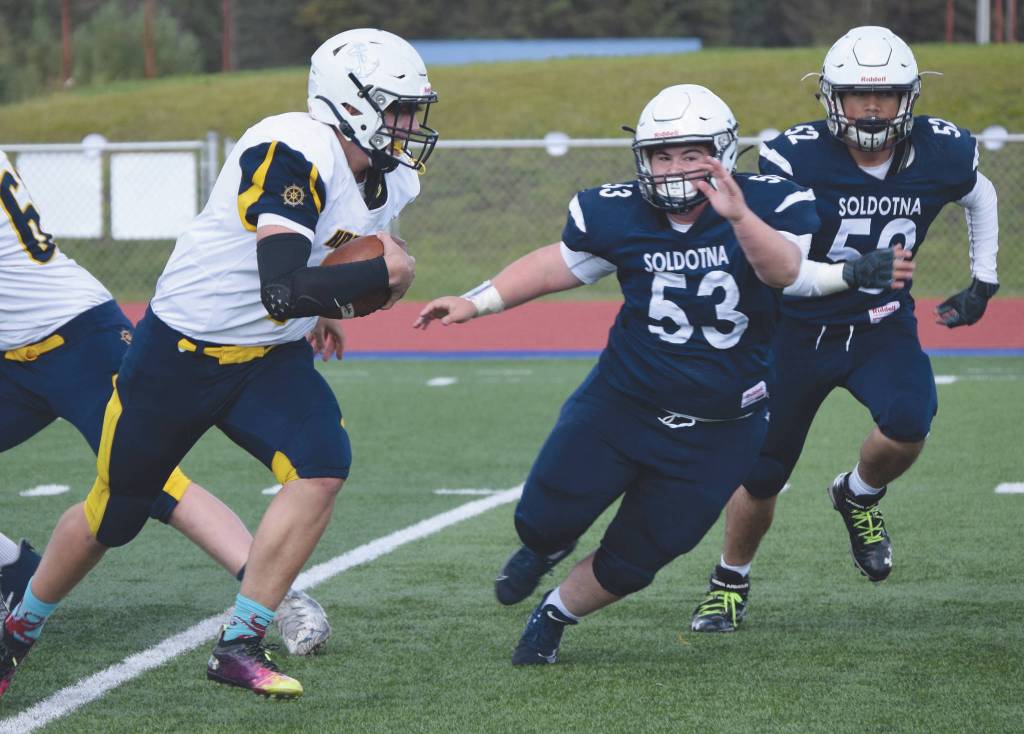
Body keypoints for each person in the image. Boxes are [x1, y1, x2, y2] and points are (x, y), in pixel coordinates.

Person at [0, 27, 432, 701]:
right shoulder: (292, 146)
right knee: (115, 513)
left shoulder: (391, 175)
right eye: (398, 107)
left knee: (322, 467)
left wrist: (331, 305)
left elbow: (326, 254)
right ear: (350, 105)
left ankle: (240, 642)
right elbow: (281, 285)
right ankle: (18, 631)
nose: (409, 124)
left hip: (268, 354)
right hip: (180, 352)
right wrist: (370, 277)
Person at [415, 84, 900, 665]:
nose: (674, 169)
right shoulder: (616, 211)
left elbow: (786, 273)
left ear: (722, 152)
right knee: (541, 517)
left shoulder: (772, 202)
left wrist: (739, 216)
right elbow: (558, 264)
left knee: (638, 558)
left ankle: (555, 615)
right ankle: (547, 545)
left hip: (722, 426)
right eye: (662, 156)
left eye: (691, 154)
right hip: (622, 403)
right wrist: (480, 301)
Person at [689, 26, 1000, 634]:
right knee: (762, 470)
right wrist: (848, 274)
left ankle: (857, 494)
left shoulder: (942, 150)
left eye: (884, 94)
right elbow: (783, 265)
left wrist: (983, 279)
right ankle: (730, 581)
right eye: (857, 93)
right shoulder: (792, 156)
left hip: (882, 326)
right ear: (832, 96)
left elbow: (979, 194)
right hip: (792, 331)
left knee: (909, 424)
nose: (872, 107)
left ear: (910, 96)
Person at [0, 149, 331, 650]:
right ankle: (12, 571)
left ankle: (280, 598)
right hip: (12, 356)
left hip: (75, 339)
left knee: (152, 483)